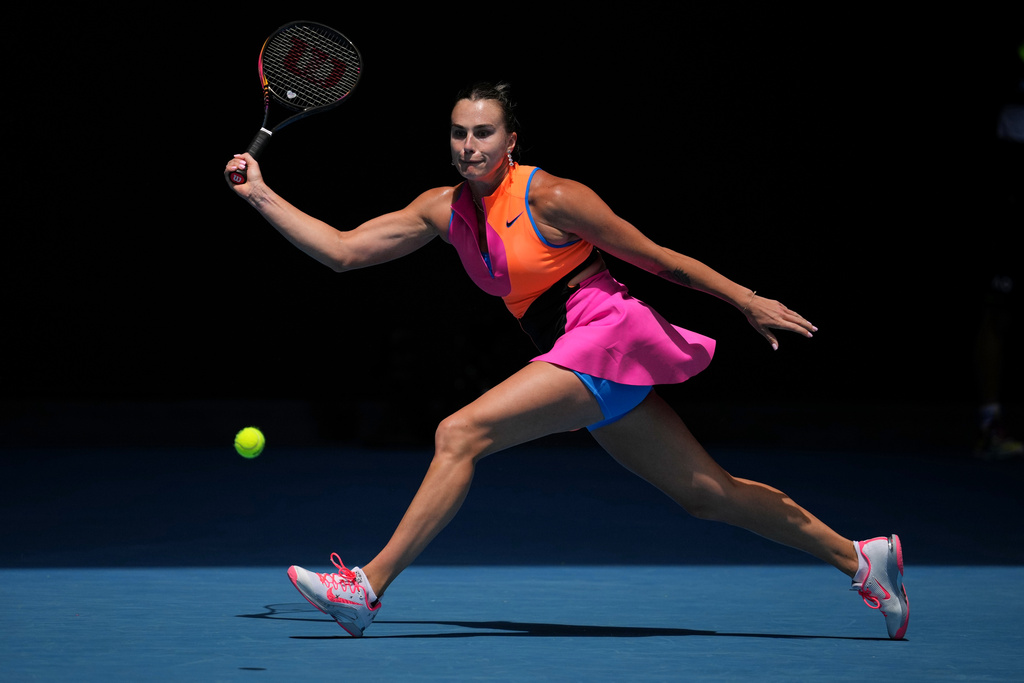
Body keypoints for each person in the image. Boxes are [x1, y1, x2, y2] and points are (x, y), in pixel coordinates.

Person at [223, 82, 908, 639]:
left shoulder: (552, 196)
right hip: (576, 352)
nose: (469, 145)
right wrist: (259, 193)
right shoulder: (443, 209)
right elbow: (343, 250)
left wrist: (744, 297)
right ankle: (862, 558)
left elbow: (657, 257)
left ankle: (364, 587)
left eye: (483, 133)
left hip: (605, 333)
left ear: (510, 139)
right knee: (706, 493)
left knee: (458, 432)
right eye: (459, 133)